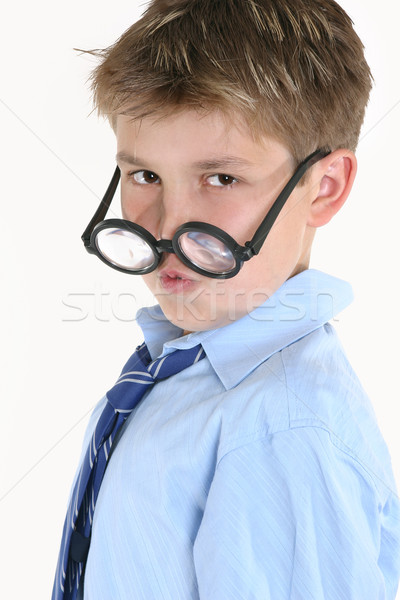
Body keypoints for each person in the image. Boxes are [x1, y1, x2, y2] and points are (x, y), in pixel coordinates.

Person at [53, 0, 400, 598]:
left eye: (221, 179)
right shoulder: (185, 369)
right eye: (145, 176)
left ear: (324, 187)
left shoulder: (283, 425)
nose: (165, 227)